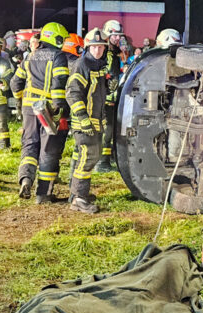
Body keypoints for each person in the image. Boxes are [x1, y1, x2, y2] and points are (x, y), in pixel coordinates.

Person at [10, 23, 70, 204]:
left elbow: (15, 84)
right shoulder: (58, 56)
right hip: (48, 110)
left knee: (29, 145)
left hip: (29, 109)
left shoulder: (29, 56)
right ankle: (43, 194)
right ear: (56, 38)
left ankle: (26, 180)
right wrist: (59, 109)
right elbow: (59, 83)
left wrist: (22, 100)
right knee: (48, 150)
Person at [66, 28, 109, 213]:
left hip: (95, 121)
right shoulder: (82, 64)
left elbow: (96, 93)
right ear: (88, 47)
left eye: (101, 47)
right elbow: (73, 93)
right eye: (94, 47)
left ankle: (75, 193)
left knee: (81, 156)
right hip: (85, 122)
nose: (98, 50)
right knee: (89, 156)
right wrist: (83, 118)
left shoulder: (98, 64)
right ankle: (79, 199)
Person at [96, 19, 124, 172]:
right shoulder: (105, 52)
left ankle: (108, 158)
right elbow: (106, 74)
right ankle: (102, 163)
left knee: (111, 129)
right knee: (107, 130)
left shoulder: (113, 52)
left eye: (119, 36)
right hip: (105, 98)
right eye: (115, 35)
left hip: (112, 97)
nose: (117, 38)